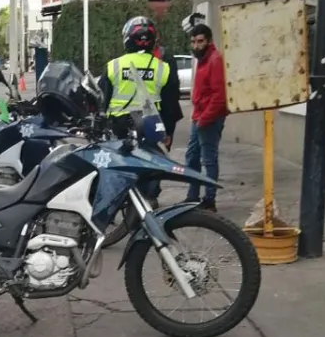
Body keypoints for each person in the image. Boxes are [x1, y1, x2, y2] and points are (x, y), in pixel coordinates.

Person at [97, 16, 181, 207]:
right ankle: (148, 202)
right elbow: (170, 105)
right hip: (150, 128)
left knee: (118, 166)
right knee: (150, 165)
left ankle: (121, 200)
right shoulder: (163, 68)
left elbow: (101, 99)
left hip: (120, 128)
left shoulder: (114, 66)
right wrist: (168, 132)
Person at [184, 23, 228, 212]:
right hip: (199, 117)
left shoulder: (215, 60)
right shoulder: (202, 59)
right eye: (193, 42)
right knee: (191, 157)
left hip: (209, 118)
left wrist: (204, 119)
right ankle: (192, 197)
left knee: (208, 160)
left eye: (200, 41)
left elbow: (219, 96)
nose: (196, 46)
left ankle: (209, 201)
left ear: (209, 41)